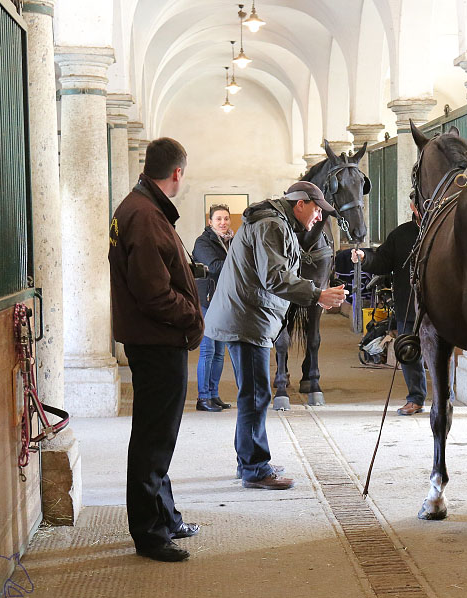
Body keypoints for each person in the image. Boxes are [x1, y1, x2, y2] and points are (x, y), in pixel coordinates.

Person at [204, 181, 348, 490]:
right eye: (317, 208)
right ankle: (256, 468)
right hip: (246, 319)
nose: (320, 217)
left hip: (245, 316)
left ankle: (249, 461)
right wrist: (318, 294)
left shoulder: (274, 221)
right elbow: (274, 277)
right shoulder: (272, 225)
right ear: (300, 204)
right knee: (256, 395)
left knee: (252, 393)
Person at [109, 137, 204, 562]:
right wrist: (191, 316)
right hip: (156, 339)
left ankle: (165, 517)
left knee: (159, 436)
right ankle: (149, 533)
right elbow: (153, 294)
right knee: (152, 439)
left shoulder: (141, 207)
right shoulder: (146, 215)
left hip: (154, 339)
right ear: (178, 173)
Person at [350, 194, 427, 416]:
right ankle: (416, 398)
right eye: (421, 204)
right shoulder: (401, 234)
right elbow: (382, 262)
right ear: (413, 206)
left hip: (440, 309)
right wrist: (365, 258)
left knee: (440, 353)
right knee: (409, 353)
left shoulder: (445, 229)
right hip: (409, 305)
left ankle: (445, 399)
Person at [193, 204, 234, 412]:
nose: (223, 222)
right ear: (210, 222)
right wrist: (239, 261)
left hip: (224, 302)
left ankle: (214, 394)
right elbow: (216, 267)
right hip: (207, 301)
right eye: (218, 219)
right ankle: (203, 398)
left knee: (220, 352)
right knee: (208, 350)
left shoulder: (232, 242)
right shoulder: (203, 242)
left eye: (226, 219)